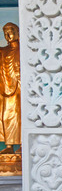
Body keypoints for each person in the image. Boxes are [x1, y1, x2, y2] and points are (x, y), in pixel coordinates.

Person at [0, 22, 21, 154]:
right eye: (5, 33)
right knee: (5, 115)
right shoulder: (3, 51)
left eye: (11, 31)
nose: (8, 35)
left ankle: (22, 143)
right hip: (6, 88)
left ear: (18, 33)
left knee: (20, 116)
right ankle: (9, 145)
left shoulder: (24, 50)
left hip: (20, 87)